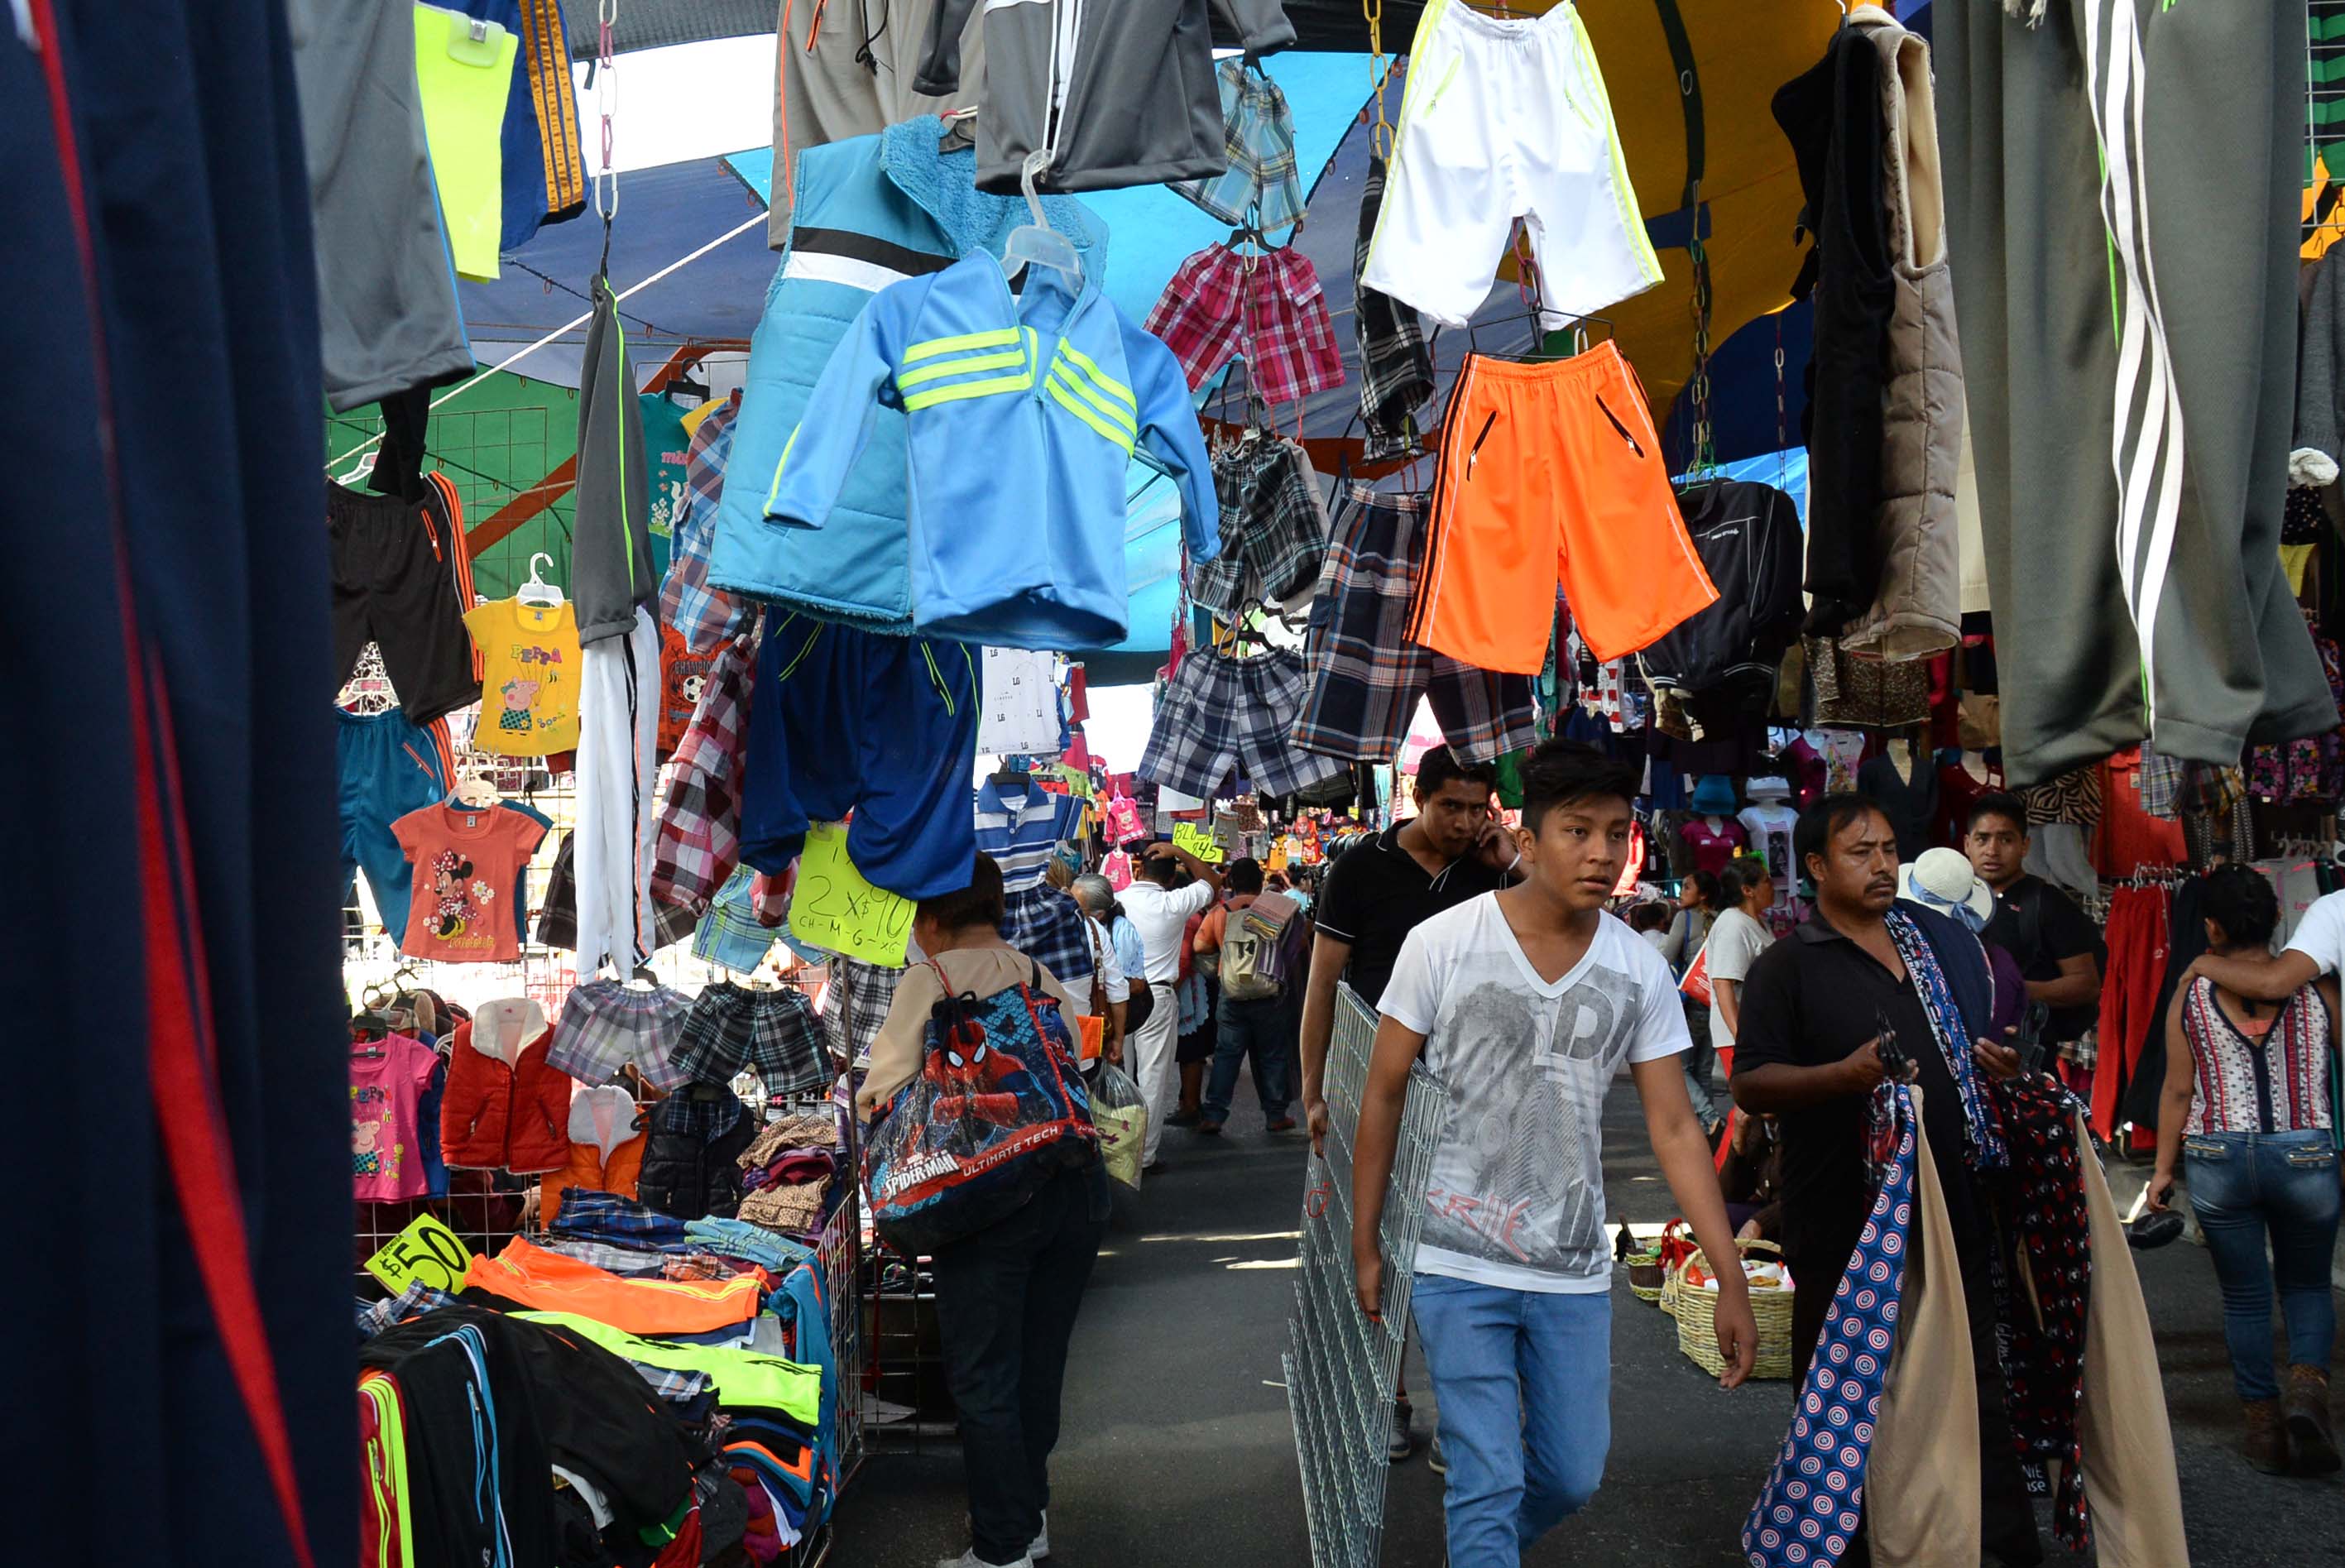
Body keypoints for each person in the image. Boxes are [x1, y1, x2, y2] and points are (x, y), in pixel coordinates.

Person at [1349, 741, 1755, 1568]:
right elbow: (1383, 1091)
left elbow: (1675, 1127)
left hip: (1569, 1266)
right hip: (1453, 1258)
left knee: (1569, 1472)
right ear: (1528, 842)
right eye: (1577, 830)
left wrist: (1728, 1274)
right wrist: (1367, 1239)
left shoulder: (1636, 967)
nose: (1601, 853)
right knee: (1484, 1473)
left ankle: (1482, 1549)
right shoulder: (1442, 943)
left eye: (1615, 832)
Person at [1729, 794, 2040, 1568]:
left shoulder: (1936, 938)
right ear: (1816, 867)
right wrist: (1844, 1075)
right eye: (1860, 851)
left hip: (1951, 1197)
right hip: (1841, 1207)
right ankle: (1844, 1542)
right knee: (1843, 1377)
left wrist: (1989, 1068)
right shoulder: (1786, 965)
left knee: (1970, 1365)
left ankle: (1992, 1540)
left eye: (1889, 849)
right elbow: (1752, 1084)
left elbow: (1967, 1038)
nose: (1880, 864)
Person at [854, 855, 1108, 1568]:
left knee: (984, 1376)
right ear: (997, 908)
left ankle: (1001, 1551)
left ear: (928, 917)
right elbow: (1075, 1064)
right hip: (1070, 1185)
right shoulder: (1034, 973)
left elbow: (881, 1095)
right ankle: (1027, 1520)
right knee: (1036, 1368)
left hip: (984, 1199)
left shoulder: (926, 980)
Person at [1297, 745, 1516, 1461]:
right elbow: (1324, 981)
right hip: (1379, 1083)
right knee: (1384, 1243)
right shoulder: (1360, 868)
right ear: (1417, 796)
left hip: (1475, 1086)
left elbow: (1566, 923)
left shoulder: (1492, 872)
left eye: (1475, 808)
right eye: (1448, 805)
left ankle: (1465, 1410)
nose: (1461, 821)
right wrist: (1315, 1086)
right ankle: (1387, 1396)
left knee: (1465, 1248)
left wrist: (1514, 858)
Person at [2148, 865, 2339, 1476]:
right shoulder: (2319, 988)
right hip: (2305, 1151)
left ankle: (2262, 1425)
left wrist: (2161, 1170)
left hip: (2218, 1155)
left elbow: (2179, 1088)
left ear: (2211, 926)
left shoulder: (2190, 991)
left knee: (2245, 1297)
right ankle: (2308, 1392)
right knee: (2307, 1286)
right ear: (2276, 919)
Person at [1965, 791, 2103, 1061]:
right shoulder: (1953, 900)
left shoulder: (2048, 903)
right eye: (1983, 839)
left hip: (2025, 1059)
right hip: (1964, 1052)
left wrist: (2011, 989)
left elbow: (2086, 985)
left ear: (2025, 846)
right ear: (1967, 844)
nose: (1992, 850)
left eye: (2006, 839)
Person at [1117, 840, 1225, 1171]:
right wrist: (1180, 852)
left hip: (1119, 997)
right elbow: (1214, 884)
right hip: (1158, 997)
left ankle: (1116, 1150)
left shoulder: (1117, 899)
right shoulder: (1174, 902)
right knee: (1152, 1078)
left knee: (1122, 1076)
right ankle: (1143, 1158)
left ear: (1138, 871)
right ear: (1169, 878)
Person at [1194, 857, 1297, 1134]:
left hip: (1232, 994)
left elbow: (1199, 946)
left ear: (1231, 882)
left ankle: (1215, 1115)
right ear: (1260, 881)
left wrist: (1224, 954)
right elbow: (1296, 947)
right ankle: (1276, 1115)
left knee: (1227, 1055)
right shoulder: (1277, 909)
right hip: (1270, 993)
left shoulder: (1220, 912)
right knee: (1272, 1055)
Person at [1694, 859, 1776, 1136]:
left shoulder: (1757, 923)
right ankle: (1722, 1174)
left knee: (1756, 1109)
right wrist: (1742, 1038)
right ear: (1748, 890)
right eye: (1765, 880)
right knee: (1751, 1108)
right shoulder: (1733, 925)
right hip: (1740, 1037)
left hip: (1760, 1033)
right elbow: (1723, 985)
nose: (1772, 885)